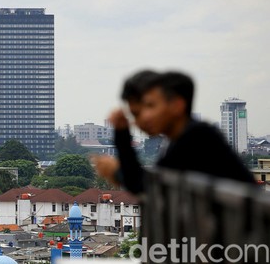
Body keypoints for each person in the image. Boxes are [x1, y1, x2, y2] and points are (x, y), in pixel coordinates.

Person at [96, 70, 255, 194]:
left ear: (177, 105)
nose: (143, 118)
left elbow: (147, 186)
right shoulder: (179, 139)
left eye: (150, 106)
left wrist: (118, 169)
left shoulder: (197, 138)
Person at [93, 69, 160, 193]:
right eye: (134, 115)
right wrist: (122, 134)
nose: (139, 121)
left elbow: (148, 187)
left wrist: (116, 172)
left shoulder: (193, 141)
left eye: (149, 106)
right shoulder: (174, 143)